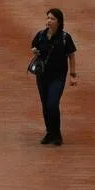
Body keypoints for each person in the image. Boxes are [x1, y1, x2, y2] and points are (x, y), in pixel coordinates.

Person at [30, 8, 77, 145]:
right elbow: (34, 47)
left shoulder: (65, 38)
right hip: (42, 76)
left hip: (58, 77)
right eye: (48, 18)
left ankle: (57, 133)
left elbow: (71, 56)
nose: (48, 21)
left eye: (52, 19)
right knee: (45, 105)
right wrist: (34, 51)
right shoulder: (40, 35)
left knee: (52, 104)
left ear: (59, 22)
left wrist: (73, 75)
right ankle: (49, 132)